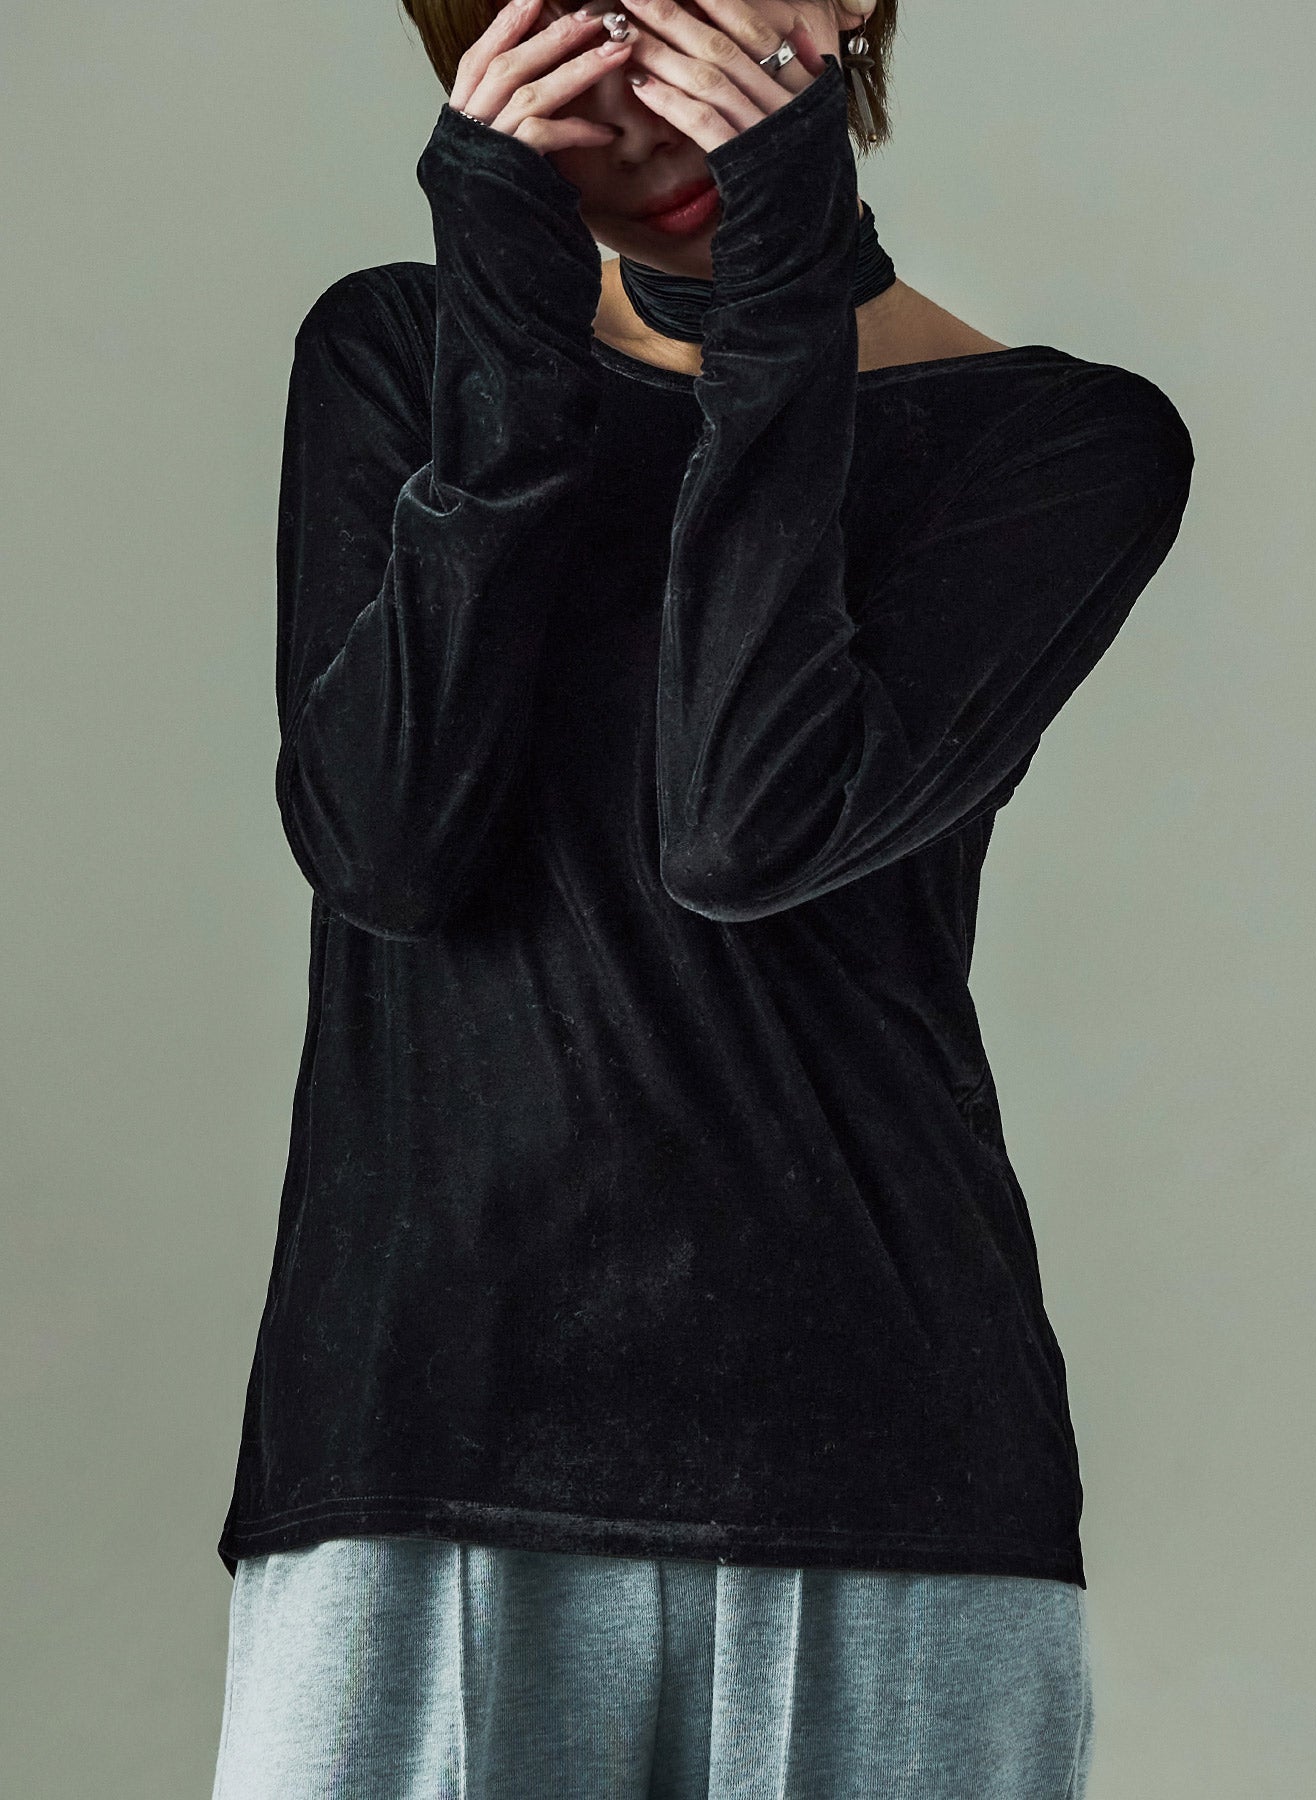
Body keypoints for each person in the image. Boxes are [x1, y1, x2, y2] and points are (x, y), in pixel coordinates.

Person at [209, 0, 1194, 1793]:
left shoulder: (1066, 442)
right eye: (569, 36)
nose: (641, 110)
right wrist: (507, 369)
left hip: (876, 1468)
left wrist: (779, 314)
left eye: (673, 16)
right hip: (423, 1427)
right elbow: (388, 850)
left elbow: (745, 826)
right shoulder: (395, 353)